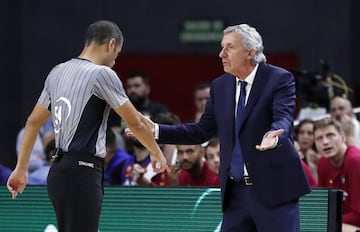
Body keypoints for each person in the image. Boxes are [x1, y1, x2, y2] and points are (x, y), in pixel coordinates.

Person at [134, 23, 310, 231]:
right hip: (235, 194)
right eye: (221, 47)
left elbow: (283, 118)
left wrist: (275, 135)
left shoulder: (279, 79)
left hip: (273, 189)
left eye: (229, 47)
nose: (221, 54)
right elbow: (201, 131)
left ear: (250, 52)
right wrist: (156, 130)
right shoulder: (220, 86)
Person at [7, 20, 169, 232]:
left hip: (57, 173)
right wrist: (156, 152)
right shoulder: (102, 74)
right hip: (83, 173)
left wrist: (21, 169)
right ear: (111, 44)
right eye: (117, 54)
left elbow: (33, 122)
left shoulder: (57, 71)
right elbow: (136, 123)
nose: (114, 62)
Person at [314, 117, 360, 230]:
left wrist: (325, 223)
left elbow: (359, 215)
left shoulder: (356, 161)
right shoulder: (323, 163)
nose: (325, 142)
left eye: (330, 135)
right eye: (319, 138)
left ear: (343, 137)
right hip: (341, 224)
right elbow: (322, 205)